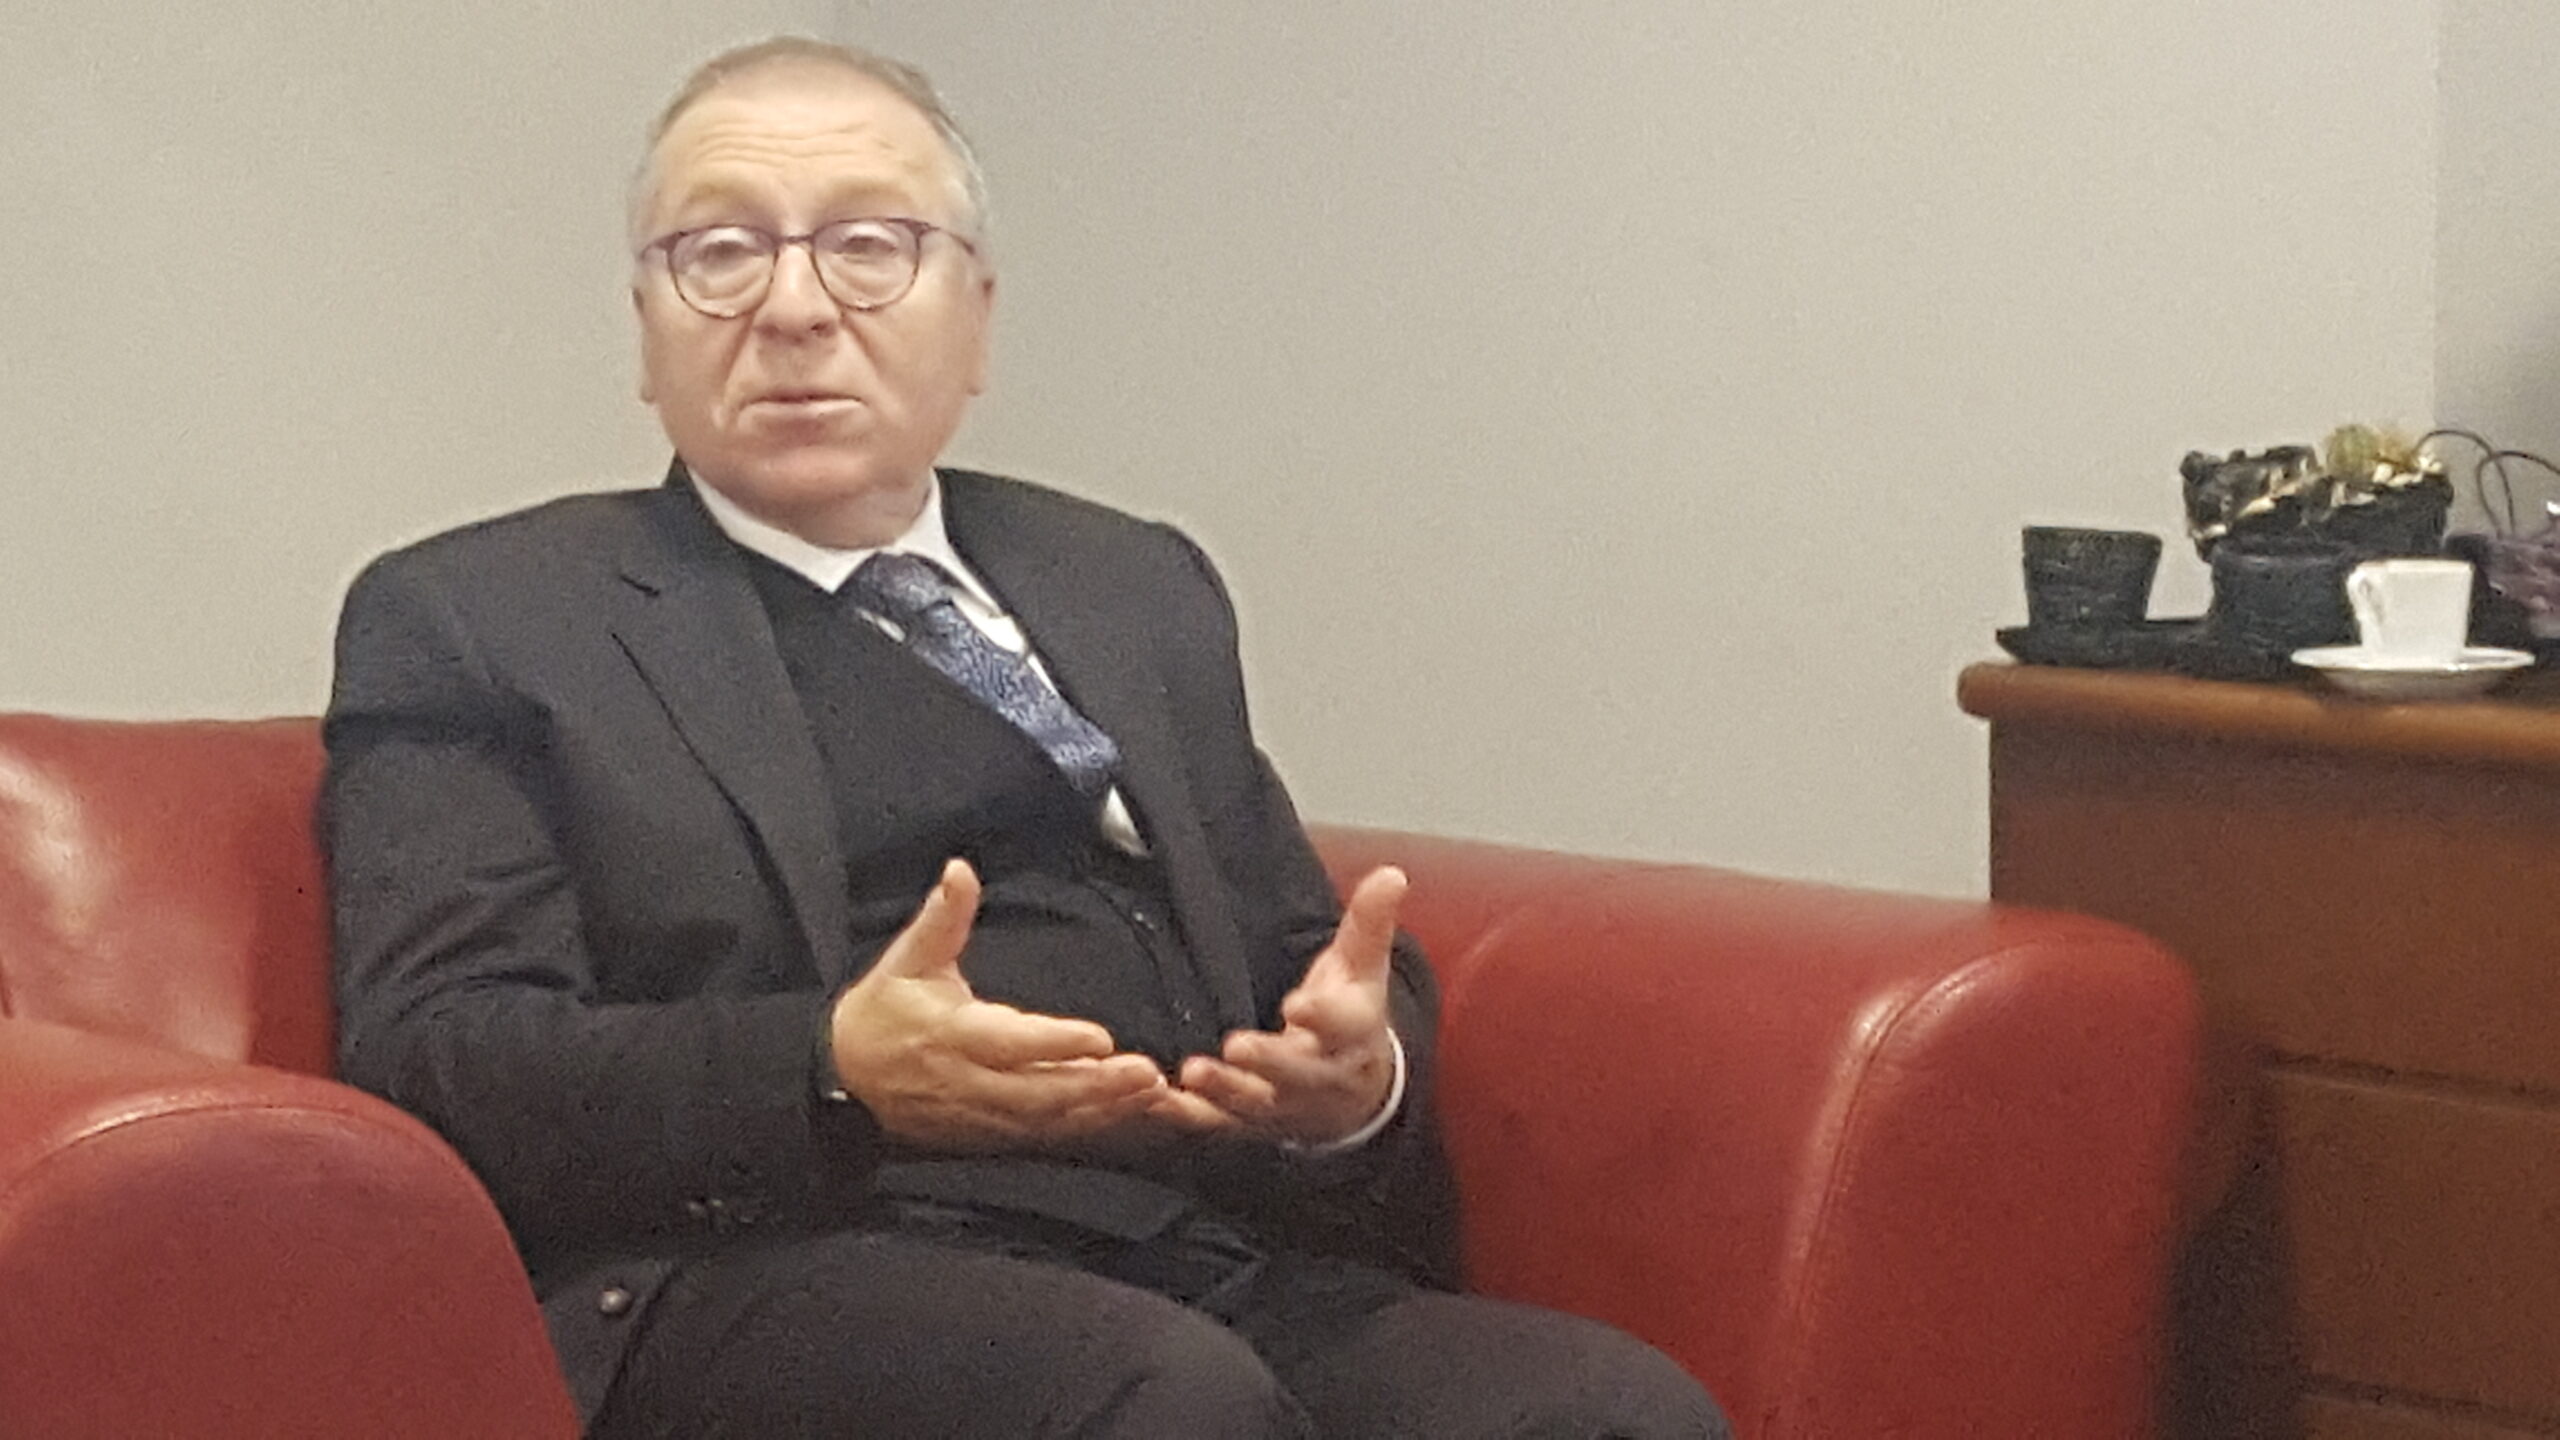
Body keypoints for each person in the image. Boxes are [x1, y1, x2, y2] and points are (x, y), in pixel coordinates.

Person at [323, 35, 1729, 1439]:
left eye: (867, 247)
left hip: (1192, 1243)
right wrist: (831, 1061)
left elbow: (1303, 947)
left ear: (977, 318)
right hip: (789, 1258)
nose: (794, 307)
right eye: (721, 253)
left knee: (1609, 1410)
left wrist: (1354, 1083)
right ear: (647, 328)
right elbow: (442, 1050)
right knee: (1168, 1402)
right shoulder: (482, 617)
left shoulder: (1130, 582)